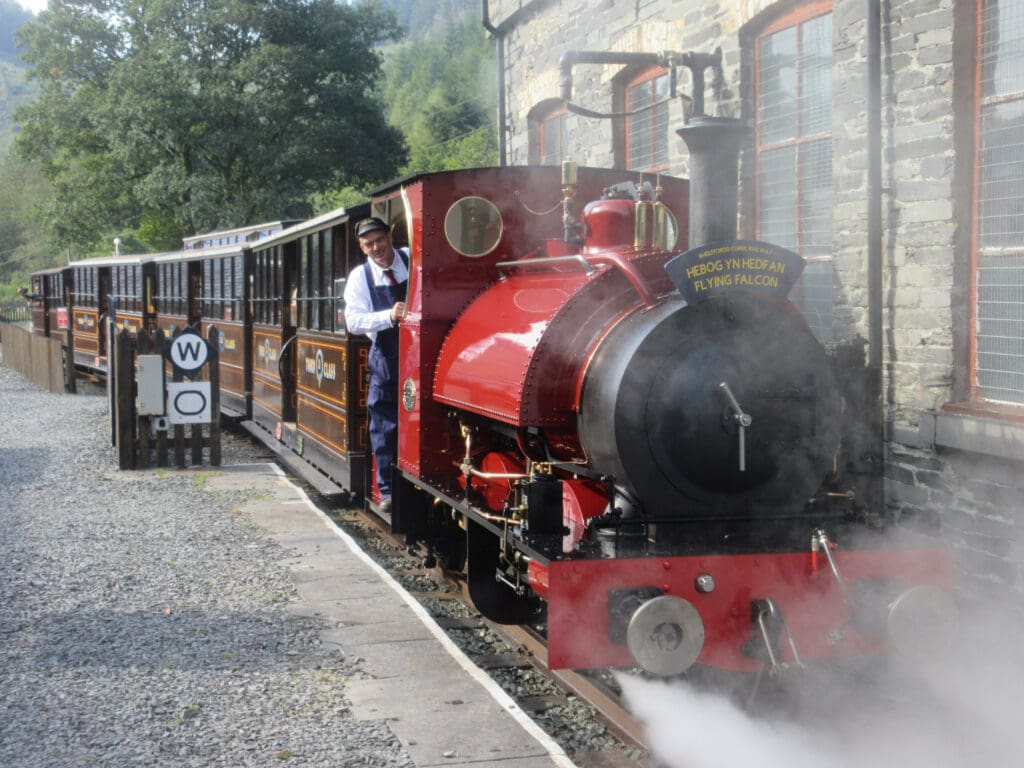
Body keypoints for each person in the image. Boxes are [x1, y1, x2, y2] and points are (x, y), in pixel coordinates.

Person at [343, 217, 409, 512]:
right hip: (387, 356)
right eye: (369, 244)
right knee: (384, 423)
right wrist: (388, 316)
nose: (376, 248)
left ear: (389, 237)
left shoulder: (411, 259)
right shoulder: (360, 277)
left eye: (379, 240)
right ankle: (388, 489)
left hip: (419, 352)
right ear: (362, 247)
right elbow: (353, 321)